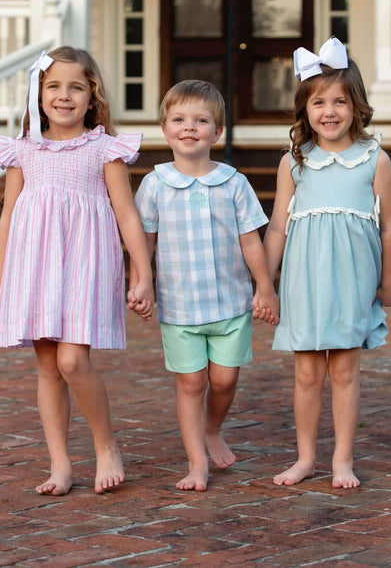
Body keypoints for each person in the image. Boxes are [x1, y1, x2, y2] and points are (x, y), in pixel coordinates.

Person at [0, 46, 154, 496]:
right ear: (38, 95)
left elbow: (127, 216)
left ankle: (106, 446)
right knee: (47, 365)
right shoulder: (23, 151)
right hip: (34, 266)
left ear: (91, 94)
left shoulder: (104, 148)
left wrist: (142, 274)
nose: (64, 96)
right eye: (53, 87)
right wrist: (5, 279)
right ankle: (60, 465)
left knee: (72, 360)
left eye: (75, 87)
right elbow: (8, 217)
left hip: (86, 262)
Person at [260, 38, 391, 489]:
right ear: (304, 110)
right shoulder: (295, 162)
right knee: (307, 372)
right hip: (305, 282)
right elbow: (278, 229)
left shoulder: (374, 160)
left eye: (340, 101)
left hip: (352, 281)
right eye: (318, 102)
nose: (329, 111)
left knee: (343, 369)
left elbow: (389, 229)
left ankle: (342, 459)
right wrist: (265, 284)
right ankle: (305, 458)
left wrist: (390, 284)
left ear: (356, 106)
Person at [130, 79, 279, 492]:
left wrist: (264, 287)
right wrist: (141, 283)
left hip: (230, 304)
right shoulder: (155, 185)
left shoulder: (233, 183)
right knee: (191, 383)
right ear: (165, 129)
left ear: (218, 132)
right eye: (178, 119)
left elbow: (251, 239)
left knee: (224, 381)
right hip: (179, 307)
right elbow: (146, 241)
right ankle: (197, 463)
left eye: (201, 120)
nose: (189, 127)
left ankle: (213, 428)